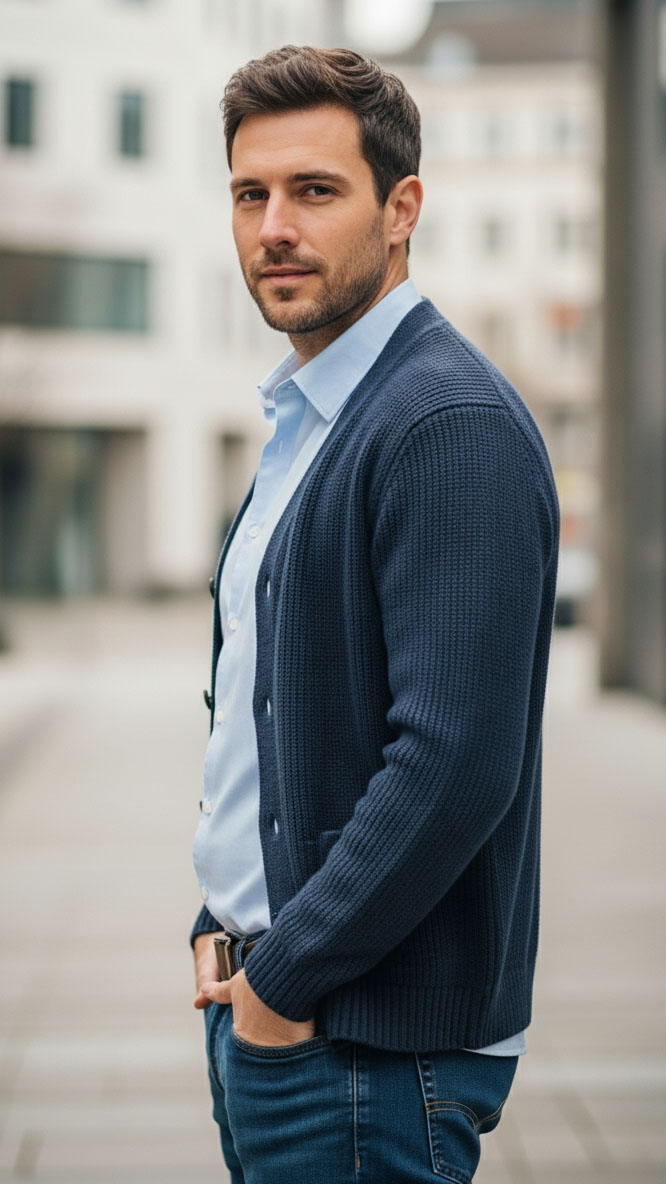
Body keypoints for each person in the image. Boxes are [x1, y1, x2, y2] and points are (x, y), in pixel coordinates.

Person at [189, 45, 559, 1183]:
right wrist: (221, 928)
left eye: (314, 190)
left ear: (401, 209)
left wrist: (281, 979)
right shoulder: (312, 420)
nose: (274, 227)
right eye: (252, 194)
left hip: (363, 1045)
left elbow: (450, 759)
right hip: (290, 1013)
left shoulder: (442, 422)